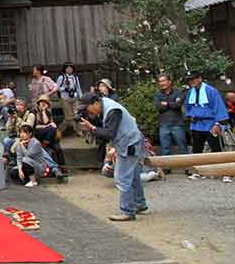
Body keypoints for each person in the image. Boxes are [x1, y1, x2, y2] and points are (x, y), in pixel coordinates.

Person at [77, 92, 147, 221]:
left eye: (87, 108)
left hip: (129, 143)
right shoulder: (106, 106)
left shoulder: (113, 110)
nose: (88, 112)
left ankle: (127, 211)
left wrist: (91, 127)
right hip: (130, 141)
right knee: (133, 175)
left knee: (122, 177)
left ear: (95, 103)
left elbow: (109, 133)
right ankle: (139, 203)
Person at [184, 71, 230, 160]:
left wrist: (218, 124)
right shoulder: (190, 92)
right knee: (196, 150)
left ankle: (218, 171)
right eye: (189, 80)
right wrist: (190, 115)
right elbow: (187, 106)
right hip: (196, 125)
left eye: (193, 79)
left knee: (216, 149)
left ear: (200, 79)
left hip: (211, 124)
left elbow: (219, 107)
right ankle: (198, 172)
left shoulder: (211, 91)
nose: (191, 82)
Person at [153, 73, 187, 157]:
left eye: (163, 81)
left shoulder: (178, 92)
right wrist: (172, 103)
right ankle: (167, 169)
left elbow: (178, 105)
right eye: (160, 81)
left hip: (177, 124)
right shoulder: (157, 94)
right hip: (164, 125)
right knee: (165, 149)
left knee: (182, 147)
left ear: (169, 82)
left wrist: (166, 104)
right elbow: (159, 107)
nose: (161, 83)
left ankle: (188, 168)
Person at [34, 95, 65, 166]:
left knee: (58, 149)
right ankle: (46, 142)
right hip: (38, 134)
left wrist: (44, 111)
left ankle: (62, 166)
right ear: (39, 103)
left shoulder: (47, 113)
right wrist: (46, 126)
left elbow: (46, 121)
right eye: (42, 102)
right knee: (50, 128)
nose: (43, 103)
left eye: (45, 102)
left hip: (48, 137)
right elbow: (35, 126)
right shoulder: (34, 112)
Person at [55, 63, 82, 135]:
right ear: (65, 69)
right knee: (69, 117)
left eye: (71, 68)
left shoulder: (75, 77)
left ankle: (78, 131)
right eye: (67, 68)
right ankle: (58, 131)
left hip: (74, 97)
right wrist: (64, 88)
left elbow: (78, 88)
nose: (69, 69)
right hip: (65, 98)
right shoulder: (61, 77)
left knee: (77, 115)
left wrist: (81, 97)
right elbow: (56, 88)